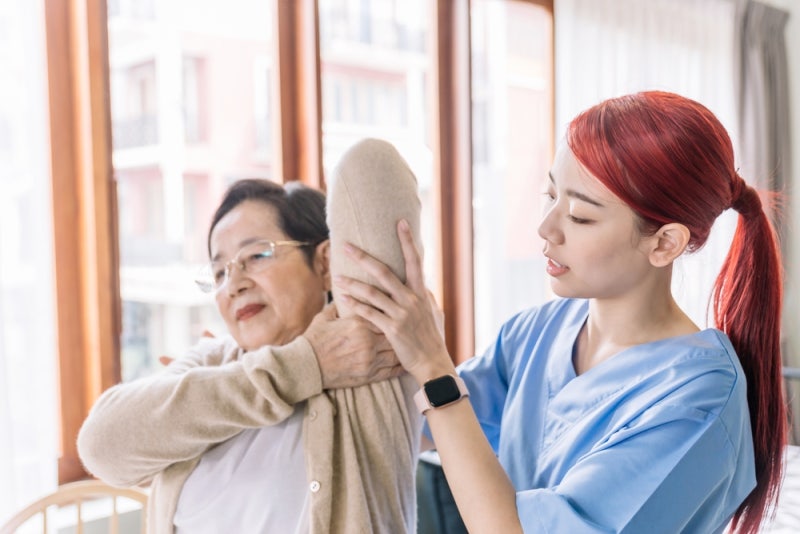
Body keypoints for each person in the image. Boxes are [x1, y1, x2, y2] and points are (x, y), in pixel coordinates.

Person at [334, 91, 787, 533]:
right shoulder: (536, 333)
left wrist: (434, 365)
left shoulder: (697, 401)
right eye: (549, 196)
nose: (545, 227)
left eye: (579, 216)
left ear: (665, 243)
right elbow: (417, 430)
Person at [77, 138, 425, 534]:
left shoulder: (368, 349)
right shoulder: (214, 359)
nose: (233, 285)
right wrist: (306, 364)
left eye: (257, 255)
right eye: (220, 272)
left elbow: (371, 165)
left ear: (326, 264)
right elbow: (100, 445)